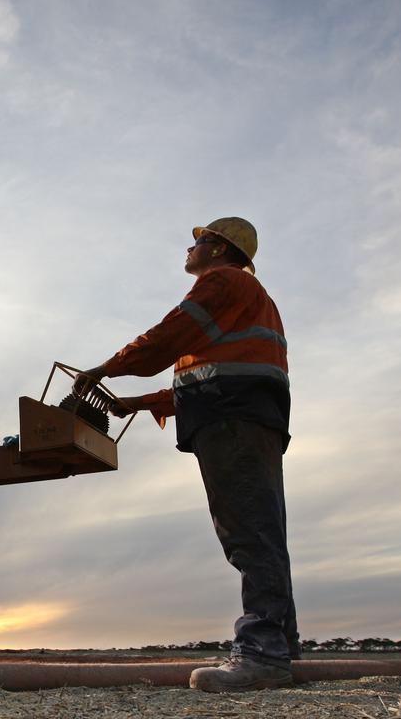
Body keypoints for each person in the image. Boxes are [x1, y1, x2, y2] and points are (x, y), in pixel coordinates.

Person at [72, 217, 298, 692]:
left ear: (218, 249)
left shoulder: (222, 282)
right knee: (261, 529)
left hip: (233, 421)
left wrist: (107, 369)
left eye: (197, 243)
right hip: (243, 417)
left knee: (248, 532)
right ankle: (280, 646)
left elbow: (168, 337)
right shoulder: (246, 300)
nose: (188, 250)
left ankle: (262, 654)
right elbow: (208, 379)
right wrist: (137, 403)